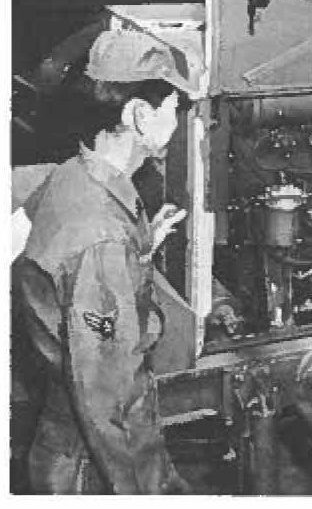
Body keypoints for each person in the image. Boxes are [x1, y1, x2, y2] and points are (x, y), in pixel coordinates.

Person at [13, 29, 193, 494]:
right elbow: (111, 401)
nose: (178, 123)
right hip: (91, 468)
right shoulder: (102, 237)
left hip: (64, 439)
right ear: (139, 115)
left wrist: (140, 248)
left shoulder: (75, 176)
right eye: (175, 108)